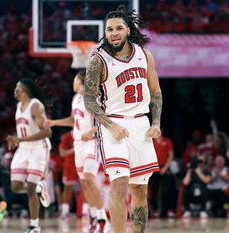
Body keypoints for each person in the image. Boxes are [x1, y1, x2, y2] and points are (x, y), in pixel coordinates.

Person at [83, 6, 162, 233]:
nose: (113, 33)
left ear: (128, 30)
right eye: (109, 29)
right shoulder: (97, 60)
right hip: (112, 124)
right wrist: (110, 125)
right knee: (118, 185)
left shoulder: (145, 55)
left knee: (140, 190)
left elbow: (155, 93)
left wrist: (155, 123)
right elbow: (89, 101)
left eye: (118, 28)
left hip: (141, 125)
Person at [44, 70, 109, 232]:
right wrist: (54, 123)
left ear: (81, 81)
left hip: (93, 142)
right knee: (84, 182)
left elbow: (105, 120)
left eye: (75, 80)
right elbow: (74, 120)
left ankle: (103, 219)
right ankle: (94, 216)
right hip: (79, 143)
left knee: (89, 177)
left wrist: (93, 131)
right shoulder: (76, 99)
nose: (72, 82)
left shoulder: (94, 97)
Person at [6, 78, 52, 233]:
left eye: (17, 87)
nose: (15, 90)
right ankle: (40, 188)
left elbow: (47, 132)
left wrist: (20, 139)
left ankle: (35, 226)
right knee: (15, 186)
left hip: (39, 149)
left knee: (31, 188)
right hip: (23, 149)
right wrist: (15, 140)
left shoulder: (36, 105)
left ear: (23, 90)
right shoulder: (18, 107)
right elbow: (23, 131)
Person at [150, 132, 176, 218]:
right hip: (154, 168)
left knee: (167, 188)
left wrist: (165, 168)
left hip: (165, 167)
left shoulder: (167, 141)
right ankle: (155, 209)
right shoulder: (151, 141)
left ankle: (169, 209)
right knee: (154, 189)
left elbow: (171, 155)